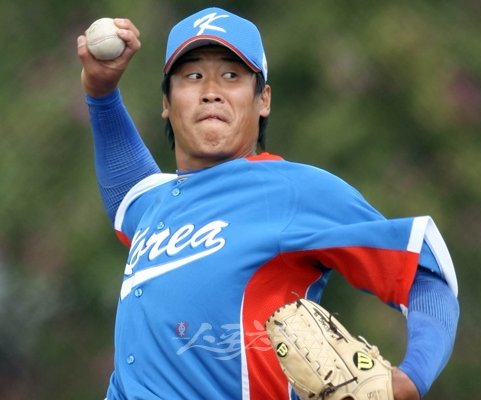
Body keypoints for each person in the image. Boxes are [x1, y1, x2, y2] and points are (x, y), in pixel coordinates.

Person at [77, 7, 459, 400]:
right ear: (166, 102)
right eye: (193, 76)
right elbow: (127, 190)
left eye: (231, 75)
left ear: (263, 100)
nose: (211, 91)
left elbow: (424, 273)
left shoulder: (294, 191)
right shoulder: (155, 206)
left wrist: (413, 375)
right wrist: (101, 95)